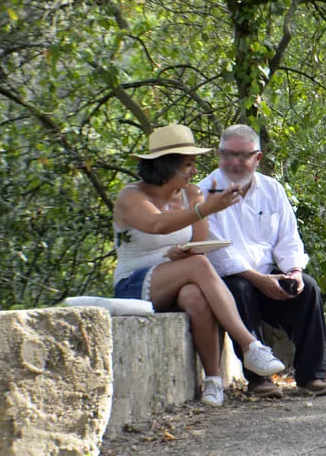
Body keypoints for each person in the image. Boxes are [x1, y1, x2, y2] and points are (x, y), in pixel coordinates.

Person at [112, 124, 285, 408]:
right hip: (134, 284)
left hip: (176, 277)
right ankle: (250, 345)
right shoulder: (131, 196)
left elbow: (199, 244)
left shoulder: (189, 195)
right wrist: (204, 209)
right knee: (198, 266)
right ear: (166, 166)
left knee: (195, 295)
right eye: (188, 165)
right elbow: (155, 224)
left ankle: (213, 382)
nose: (194, 172)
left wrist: (188, 238)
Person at [198, 124, 326, 398]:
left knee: (308, 289)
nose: (234, 162)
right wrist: (258, 280)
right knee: (239, 289)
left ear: (257, 158)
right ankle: (259, 380)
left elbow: (289, 238)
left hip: (268, 275)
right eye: (228, 154)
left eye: (242, 155)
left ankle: (311, 376)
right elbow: (216, 252)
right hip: (229, 280)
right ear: (219, 155)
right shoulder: (205, 192)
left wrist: (294, 271)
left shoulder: (272, 190)